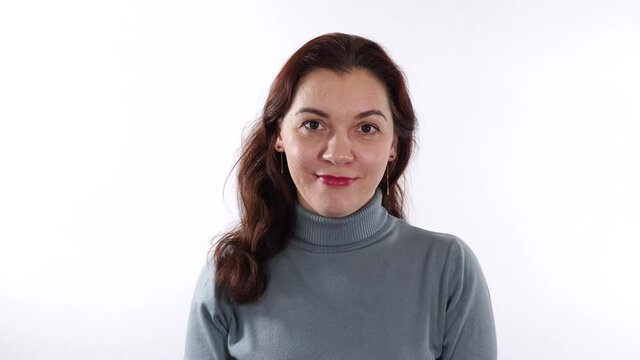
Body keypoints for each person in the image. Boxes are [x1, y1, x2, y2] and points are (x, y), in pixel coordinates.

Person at [183, 32, 497, 360]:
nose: (337, 153)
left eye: (366, 129)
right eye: (313, 124)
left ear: (393, 146)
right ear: (279, 135)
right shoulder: (231, 272)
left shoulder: (448, 270)